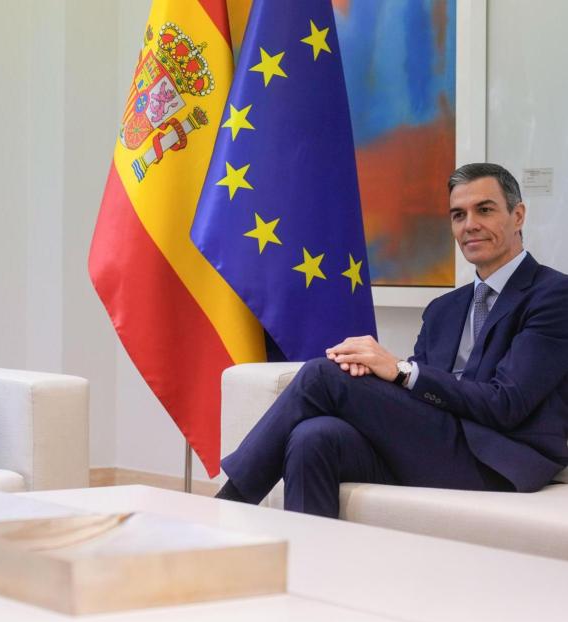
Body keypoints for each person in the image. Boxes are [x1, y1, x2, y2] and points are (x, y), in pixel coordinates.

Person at [217, 163, 568, 517]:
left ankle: (226, 511)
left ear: (518, 215)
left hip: (498, 458)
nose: (470, 225)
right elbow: (421, 402)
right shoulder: (443, 309)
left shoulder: (554, 296)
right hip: (436, 445)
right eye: (458, 215)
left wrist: (401, 370)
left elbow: (505, 403)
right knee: (313, 436)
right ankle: (314, 569)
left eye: (485, 210)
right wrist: (379, 376)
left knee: (321, 376)